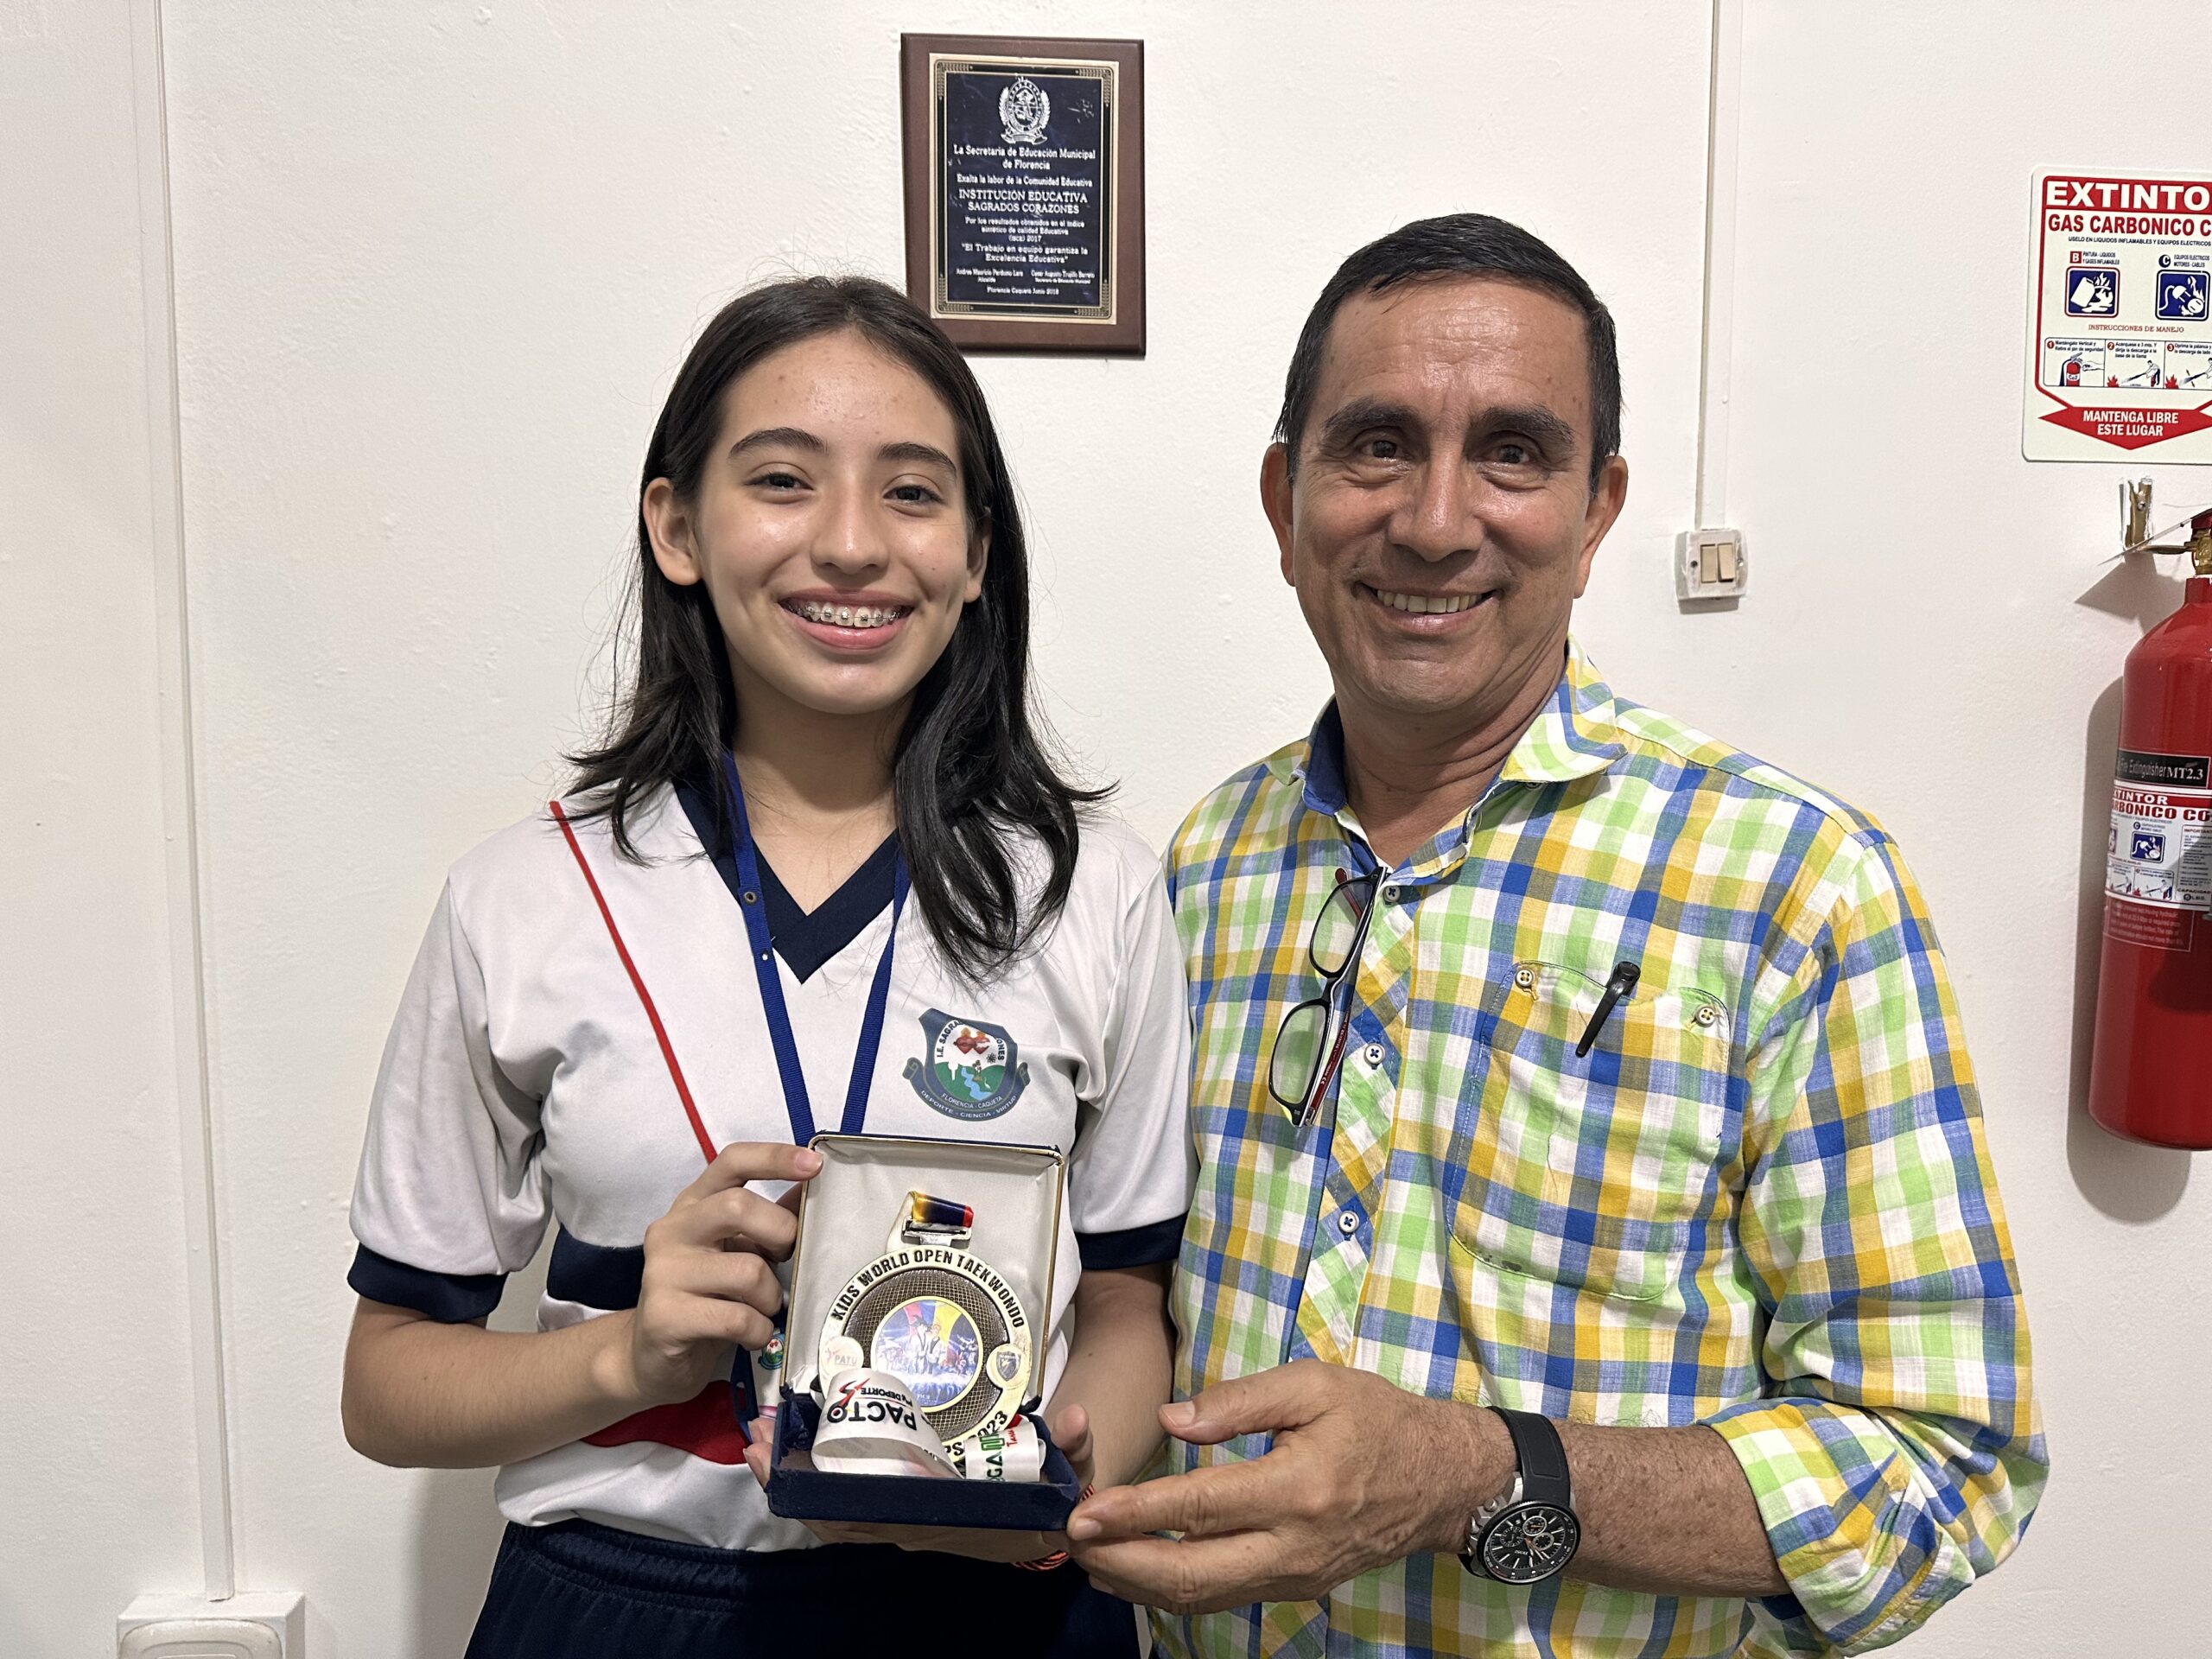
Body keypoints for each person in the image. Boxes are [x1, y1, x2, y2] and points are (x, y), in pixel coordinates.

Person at [1066, 215, 2047, 1657]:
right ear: (1285, 500)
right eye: (1378, 445)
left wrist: (1476, 1481)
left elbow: (1942, 1469)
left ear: (1596, 516)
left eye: (1513, 454)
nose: (1435, 520)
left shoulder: (1792, 887)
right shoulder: (1209, 862)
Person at [340, 275, 1192, 1657]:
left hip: (996, 1604)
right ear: (677, 526)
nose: (851, 544)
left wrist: (1066, 1489)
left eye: (913, 493)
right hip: (623, 1611)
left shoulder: (1093, 889)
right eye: (784, 480)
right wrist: (625, 1355)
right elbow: (385, 1386)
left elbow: (1125, 1307)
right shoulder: (525, 897)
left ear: (978, 551)